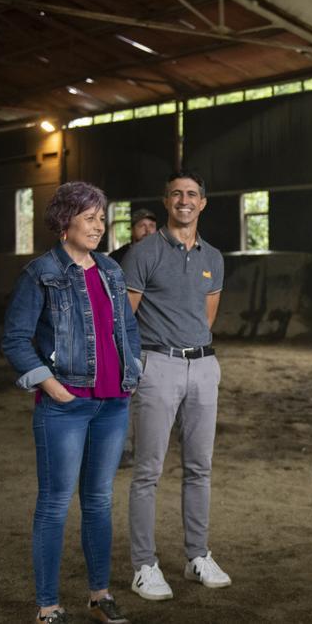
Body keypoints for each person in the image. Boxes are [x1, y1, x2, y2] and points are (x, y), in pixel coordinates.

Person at [2, 181, 141, 624]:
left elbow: (129, 330)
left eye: (102, 218)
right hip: (64, 406)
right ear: (65, 222)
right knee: (55, 502)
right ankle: (48, 606)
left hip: (112, 405)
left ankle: (99, 594)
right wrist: (50, 385)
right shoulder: (39, 273)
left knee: (99, 501)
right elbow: (15, 340)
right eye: (89, 217)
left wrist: (131, 372)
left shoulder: (111, 271)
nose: (99, 226)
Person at [122, 172, 230, 601]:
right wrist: (144, 365)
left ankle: (197, 555)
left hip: (203, 367)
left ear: (202, 203)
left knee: (200, 468)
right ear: (166, 201)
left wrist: (193, 357)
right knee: (148, 471)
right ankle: (144, 565)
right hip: (157, 365)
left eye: (192, 195)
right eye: (176, 194)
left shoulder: (214, 257)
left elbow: (207, 318)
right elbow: (125, 320)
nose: (184, 201)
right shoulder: (142, 253)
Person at [110, 208, 158, 469]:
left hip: (154, 336)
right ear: (132, 229)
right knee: (124, 392)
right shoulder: (116, 259)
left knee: (152, 397)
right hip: (126, 336)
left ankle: (148, 450)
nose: (148, 230)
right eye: (142, 225)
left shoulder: (163, 256)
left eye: (152, 225)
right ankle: (124, 449)